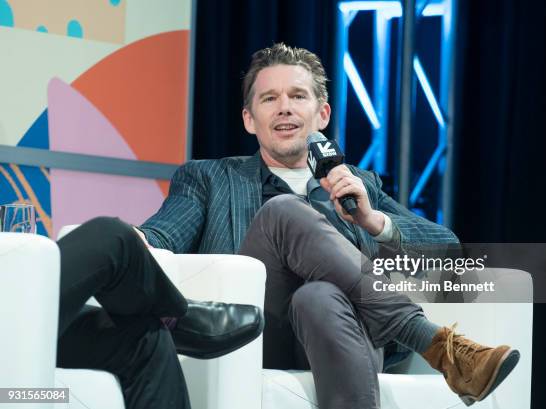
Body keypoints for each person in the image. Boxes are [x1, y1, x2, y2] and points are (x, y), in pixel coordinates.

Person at [138, 43, 520, 408]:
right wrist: (125, 242)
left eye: (298, 96)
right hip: (255, 333)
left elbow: (447, 247)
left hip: (341, 329)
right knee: (283, 212)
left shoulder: (359, 184)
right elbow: (162, 234)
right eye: (269, 99)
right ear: (249, 119)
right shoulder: (208, 178)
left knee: (317, 295)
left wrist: (373, 221)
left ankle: (440, 349)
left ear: (322, 115)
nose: (284, 108)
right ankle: (436, 343)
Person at [56, 217, 264, 409]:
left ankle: (170, 318)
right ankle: (178, 317)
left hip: (37, 334)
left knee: (147, 334)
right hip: (24, 375)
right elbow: (170, 225)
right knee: (109, 235)